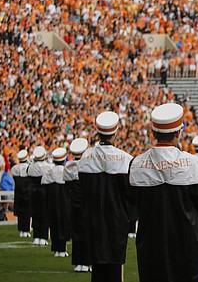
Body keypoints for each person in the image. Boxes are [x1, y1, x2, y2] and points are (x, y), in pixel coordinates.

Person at [129, 103, 198, 282]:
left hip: (150, 240)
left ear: (153, 133)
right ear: (178, 133)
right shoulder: (192, 163)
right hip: (186, 239)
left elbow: (131, 199)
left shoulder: (137, 163)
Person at [78, 111, 133, 282]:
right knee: (115, 266)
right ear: (115, 132)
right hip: (117, 219)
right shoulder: (125, 159)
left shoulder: (86, 157)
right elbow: (130, 194)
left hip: (92, 217)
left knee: (97, 265)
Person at [64, 137, 90, 273]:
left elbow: (67, 185)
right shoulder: (88, 164)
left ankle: (78, 262)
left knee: (76, 232)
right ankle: (85, 262)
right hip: (86, 202)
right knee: (86, 231)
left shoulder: (68, 166)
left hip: (73, 202)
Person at [42, 147, 72, 257]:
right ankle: (62, 249)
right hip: (65, 202)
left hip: (52, 202)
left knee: (54, 223)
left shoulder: (49, 172)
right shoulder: (67, 171)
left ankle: (56, 248)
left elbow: (44, 186)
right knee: (63, 224)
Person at [28, 146, 53, 246]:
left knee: (35, 214)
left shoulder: (30, 167)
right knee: (44, 215)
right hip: (44, 191)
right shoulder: (48, 166)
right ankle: (43, 237)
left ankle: (36, 236)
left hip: (33, 192)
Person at [10, 149, 32, 238]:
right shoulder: (29, 167)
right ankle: (26, 229)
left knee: (20, 210)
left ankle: (21, 230)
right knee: (27, 210)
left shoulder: (15, 168)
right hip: (27, 189)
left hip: (18, 189)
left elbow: (15, 177)